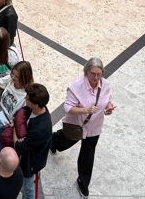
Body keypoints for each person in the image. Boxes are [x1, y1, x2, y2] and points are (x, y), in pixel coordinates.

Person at [50, 58, 117, 197]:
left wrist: (109, 107)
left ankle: (83, 182)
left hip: (94, 127)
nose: (96, 78)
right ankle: (53, 141)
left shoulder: (105, 84)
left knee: (88, 153)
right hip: (76, 124)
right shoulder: (76, 86)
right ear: (86, 72)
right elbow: (67, 107)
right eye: (93, 74)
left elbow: (108, 99)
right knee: (65, 140)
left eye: (99, 74)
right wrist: (85, 110)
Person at [15, 83, 51, 199]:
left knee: (28, 187)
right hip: (30, 156)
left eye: (27, 98)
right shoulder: (37, 109)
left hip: (30, 163)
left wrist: (14, 129)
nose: (25, 98)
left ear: (35, 104)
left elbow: (19, 146)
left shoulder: (41, 128)